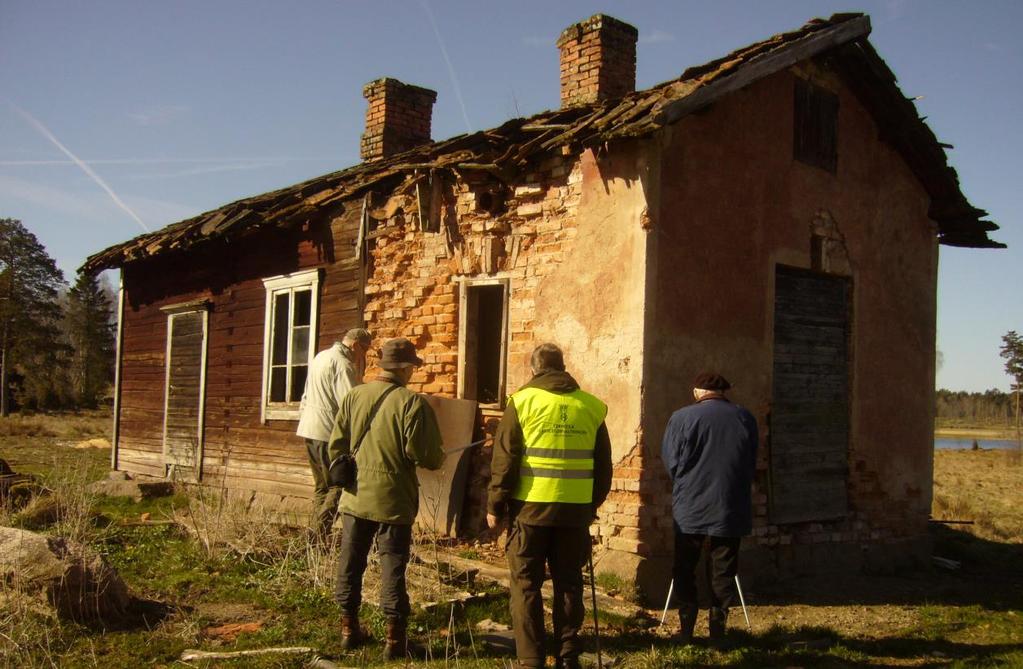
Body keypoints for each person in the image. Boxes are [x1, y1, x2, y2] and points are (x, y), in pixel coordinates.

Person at [487, 343, 612, 669]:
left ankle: (531, 660)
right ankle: (569, 657)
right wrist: (590, 504)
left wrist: (495, 505)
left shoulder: (522, 402)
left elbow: (505, 459)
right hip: (574, 512)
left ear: (534, 369)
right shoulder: (592, 407)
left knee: (526, 584)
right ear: (563, 367)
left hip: (530, 511)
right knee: (569, 582)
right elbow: (603, 469)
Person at [327, 337, 445, 659]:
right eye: (413, 368)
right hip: (393, 502)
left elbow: (336, 446)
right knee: (392, 565)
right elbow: (427, 457)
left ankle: (348, 630)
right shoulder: (412, 403)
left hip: (355, 498)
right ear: (406, 368)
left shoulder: (354, 396)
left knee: (350, 564)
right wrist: (438, 453)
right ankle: (394, 641)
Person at [660, 372, 758, 645]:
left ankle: (687, 627)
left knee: (684, 567)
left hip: (690, 504)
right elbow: (751, 461)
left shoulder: (682, 418)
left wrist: (687, 483)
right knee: (724, 568)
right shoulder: (744, 417)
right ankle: (718, 629)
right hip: (730, 504)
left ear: (696, 392)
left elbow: (671, 461)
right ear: (725, 392)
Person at [296, 327, 372, 542]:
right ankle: (318, 535)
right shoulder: (344, 365)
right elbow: (350, 404)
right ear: (355, 344)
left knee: (321, 486)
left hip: (308, 428)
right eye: (364, 350)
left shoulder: (321, 356)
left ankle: (315, 532)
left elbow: (306, 393)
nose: (363, 356)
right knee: (338, 486)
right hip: (327, 432)